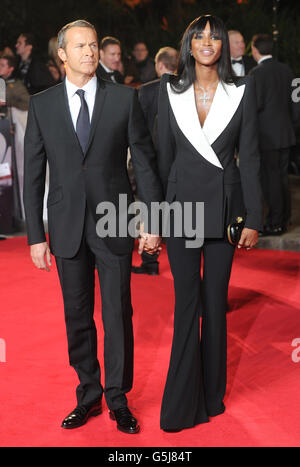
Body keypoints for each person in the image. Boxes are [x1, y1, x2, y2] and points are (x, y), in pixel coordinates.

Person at [23, 19, 162, 434]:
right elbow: (33, 174)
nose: (89, 52)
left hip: (115, 220)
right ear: (62, 54)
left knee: (118, 313)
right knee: (77, 314)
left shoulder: (123, 99)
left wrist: (151, 220)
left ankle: (118, 398)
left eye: (94, 45)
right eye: (80, 46)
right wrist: (35, 236)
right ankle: (88, 394)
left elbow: (145, 163)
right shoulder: (42, 104)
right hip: (66, 226)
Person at [156, 15, 263, 431]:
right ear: (189, 44)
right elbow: (163, 161)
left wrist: (253, 215)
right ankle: (183, 402)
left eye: (213, 37)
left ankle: (213, 396)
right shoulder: (169, 92)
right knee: (186, 305)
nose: (206, 42)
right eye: (198, 36)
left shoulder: (242, 91)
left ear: (223, 46)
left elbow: (250, 158)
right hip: (182, 211)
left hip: (224, 210)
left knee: (215, 304)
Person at [132, 46, 178, 276]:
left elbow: (138, 130)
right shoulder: (187, 89)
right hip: (179, 164)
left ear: (159, 65)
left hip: (150, 162)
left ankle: (150, 260)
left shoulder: (146, 90)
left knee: (150, 210)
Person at [250, 34, 298, 235]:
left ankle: (274, 223)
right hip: (286, 133)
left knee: (270, 180)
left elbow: (255, 105)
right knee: (282, 177)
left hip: (267, 136)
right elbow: (295, 102)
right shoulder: (286, 69)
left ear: (255, 50)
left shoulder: (256, 73)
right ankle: (285, 219)